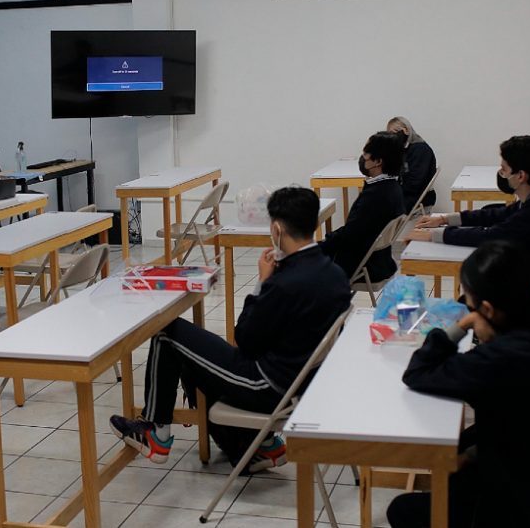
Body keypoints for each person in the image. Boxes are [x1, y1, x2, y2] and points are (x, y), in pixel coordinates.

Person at [109, 187, 352, 470]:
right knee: (195, 355)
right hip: (305, 382)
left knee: (166, 333)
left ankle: (156, 433)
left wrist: (262, 282)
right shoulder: (335, 274)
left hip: (267, 386)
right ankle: (260, 444)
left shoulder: (284, 283)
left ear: (276, 229)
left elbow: (245, 340)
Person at [386, 240, 530, 527]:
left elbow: (419, 372)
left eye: (470, 305)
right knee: (457, 469)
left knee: (402, 510)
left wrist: (461, 325)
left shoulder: (504, 358)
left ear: (488, 309)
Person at [407, 135, 530, 303]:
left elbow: (492, 236)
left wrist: (434, 235)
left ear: (520, 176)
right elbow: (500, 214)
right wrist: (445, 219)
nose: (501, 173)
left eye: (504, 169)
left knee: (480, 287)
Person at [319, 131, 406, 283]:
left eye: (365, 153)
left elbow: (350, 234)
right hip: (379, 262)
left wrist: (319, 245)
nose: (362, 157)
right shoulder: (392, 187)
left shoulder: (376, 195)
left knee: (297, 262)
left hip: (360, 265)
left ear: (378, 161)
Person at [387, 117, 437, 213]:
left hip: (418, 197)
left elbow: (415, 183)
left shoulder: (420, 150)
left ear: (406, 130)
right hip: (408, 194)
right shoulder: (404, 149)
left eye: (394, 133)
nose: (392, 137)